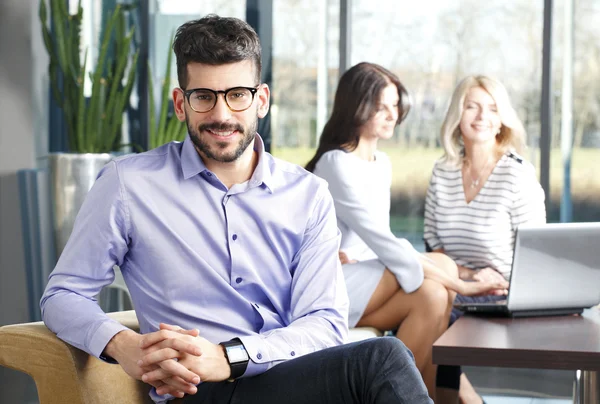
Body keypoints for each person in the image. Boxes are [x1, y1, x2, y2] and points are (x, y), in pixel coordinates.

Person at [40, 16, 432, 404]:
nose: (222, 114)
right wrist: (123, 345)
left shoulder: (309, 195)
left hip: (285, 379)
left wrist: (231, 356)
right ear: (181, 103)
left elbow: (326, 322)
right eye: (204, 96)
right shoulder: (127, 185)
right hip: (195, 392)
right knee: (385, 361)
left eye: (237, 94)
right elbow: (62, 294)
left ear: (260, 100)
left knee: (382, 363)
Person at [305, 62, 507, 401]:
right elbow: (385, 243)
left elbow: (375, 245)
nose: (391, 114)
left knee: (432, 296)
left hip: (363, 273)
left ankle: (410, 395)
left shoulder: (381, 163)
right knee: (442, 273)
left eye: (394, 105)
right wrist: (463, 284)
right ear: (356, 107)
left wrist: (451, 283)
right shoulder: (335, 163)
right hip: (336, 282)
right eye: (380, 106)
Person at [424, 75, 546, 403]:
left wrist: (493, 282)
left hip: (504, 295)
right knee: (430, 304)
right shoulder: (443, 171)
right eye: (472, 107)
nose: (481, 116)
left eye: (492, 108)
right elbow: (433, 244)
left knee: (434, 321)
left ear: (502, 119)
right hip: (458, 289)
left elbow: (538, 254)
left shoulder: (517, 174)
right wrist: (468, 276)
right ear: (457, 116)